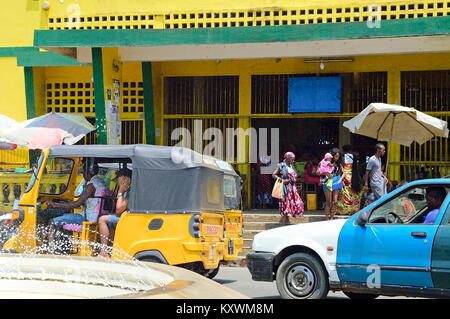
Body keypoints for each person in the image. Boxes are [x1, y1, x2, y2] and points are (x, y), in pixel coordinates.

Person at [46, 163, 108, 253]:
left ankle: (51, 251)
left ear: (88, 172)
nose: (83, 174)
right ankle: (65, 248)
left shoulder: (91, 185)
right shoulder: (102, 183)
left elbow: (76, 203)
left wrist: (56, 205)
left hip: (86, 218)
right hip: (95, 216)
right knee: (66, 218)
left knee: (52, 222)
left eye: (83, 171)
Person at [98, 168, 132, 258]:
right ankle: (111, 249)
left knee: (102, 219)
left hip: (130, 219)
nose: (117, 181)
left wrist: (120, 192)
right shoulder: (128, 190)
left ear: (124, 178)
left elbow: (118, 209)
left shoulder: (131, 191)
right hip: (126, 217)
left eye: (118, 178)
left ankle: (104, 250)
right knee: (110, 221)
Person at [272, 152, 304, 226]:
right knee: (285, 205)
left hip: (293, 189)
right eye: (292, 159)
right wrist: (282, 181)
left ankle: (287, 221)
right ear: (287, 158)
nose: (293, 161)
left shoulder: (292, 166)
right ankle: (283, 224)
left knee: (298, 203)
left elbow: (294, 177)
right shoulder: (282, 165)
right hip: (285, 189)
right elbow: (273, 175)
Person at [335, 145, 362, 215]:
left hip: (344, 177)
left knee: (344, 193)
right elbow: (357, 169)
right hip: (353, 177)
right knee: (353, 193)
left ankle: (343, 209)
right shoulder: (354, 157)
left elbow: (341, 168)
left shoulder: (342, 157)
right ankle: (354, 209)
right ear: (350, 150)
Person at [323, 148, 346, 220]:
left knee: (335, 202)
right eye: (335, 156)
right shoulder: (325, 162)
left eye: (338, 157)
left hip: (336, 182)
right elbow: (319, 172)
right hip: (328, 182)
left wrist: (340, 179)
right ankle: (327, 219)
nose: (337, 158)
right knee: (329, 202)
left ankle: (331, 218)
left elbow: (344, 172)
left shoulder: (338, 164)